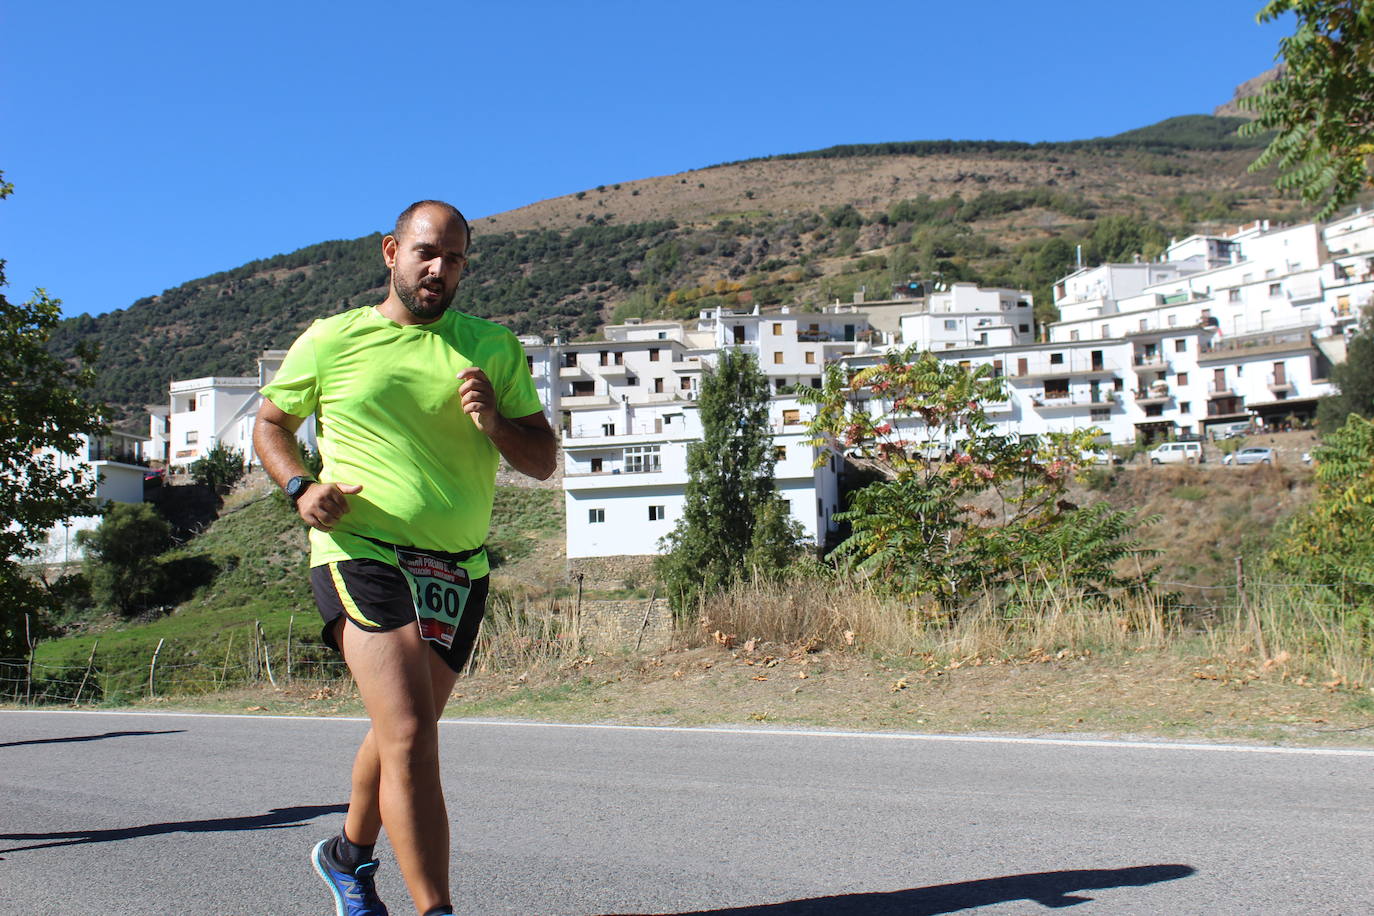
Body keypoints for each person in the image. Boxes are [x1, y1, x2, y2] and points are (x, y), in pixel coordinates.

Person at [253, 200, 557, 916]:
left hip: (458, 570)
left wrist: (494, 422)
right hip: (361, 551)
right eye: (426, 253)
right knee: (412, 732)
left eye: (454, 258)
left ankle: (347, 856)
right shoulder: (332, 339)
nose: (438, 269)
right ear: (391, 251)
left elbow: (542, 460)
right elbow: (271, 425)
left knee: (402, 732)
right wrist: (300, 487)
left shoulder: (492, 347)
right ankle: (435, 909)